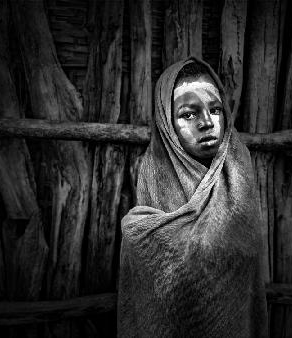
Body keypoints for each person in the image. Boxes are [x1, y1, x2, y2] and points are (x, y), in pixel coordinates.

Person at [118, 57, 268, 337]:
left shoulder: (238, 171)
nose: (207, 123)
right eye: (189, 114)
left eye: (215, 109)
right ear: (167, 123)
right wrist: (141, 236)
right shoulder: (154, 174)